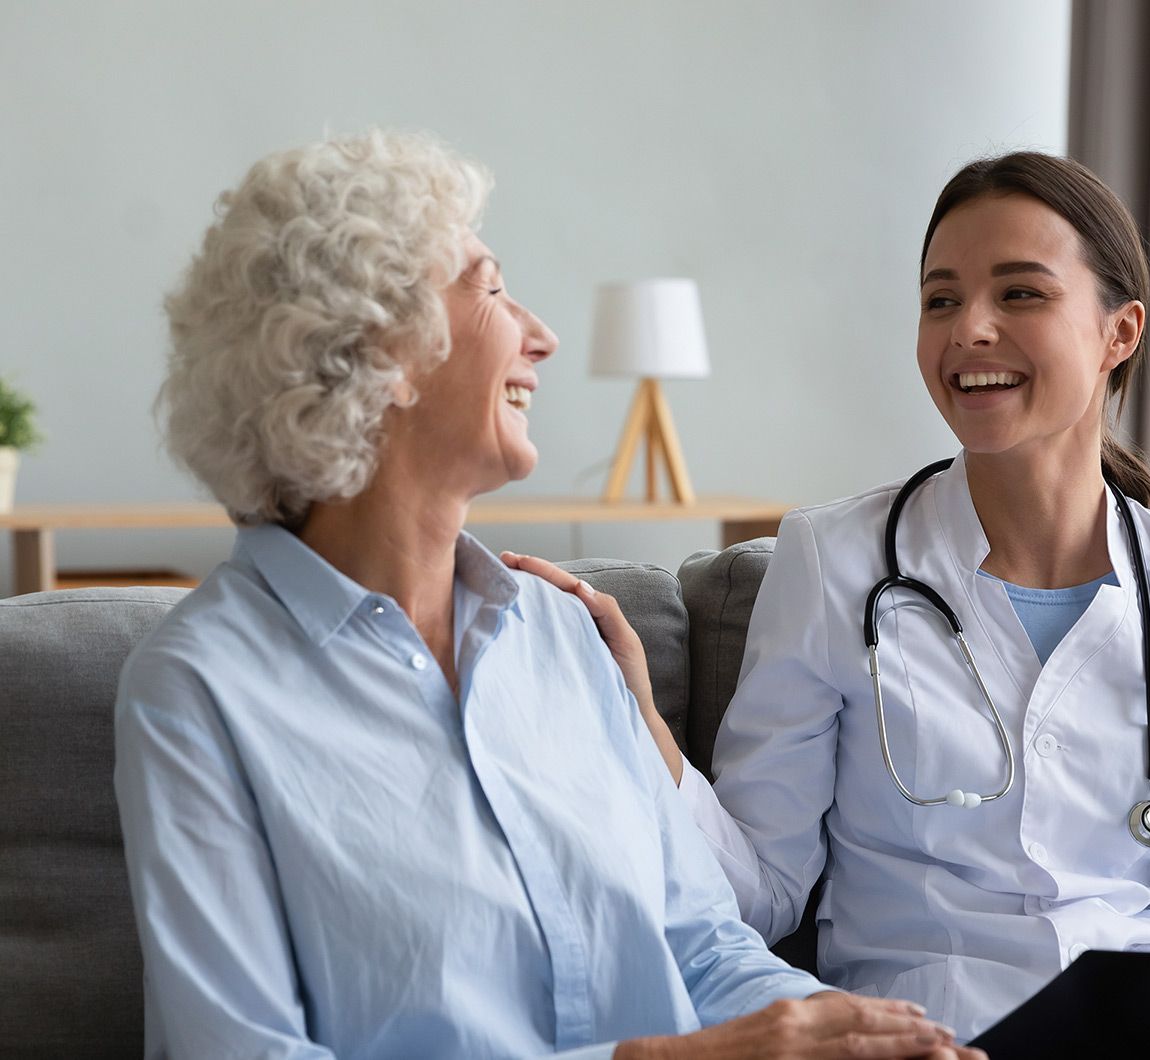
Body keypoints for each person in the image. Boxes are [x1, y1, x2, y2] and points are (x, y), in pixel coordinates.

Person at [113, 129, 981, 1060]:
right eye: (490, 289)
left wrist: (862, 1036)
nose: (542, 336)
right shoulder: (199, 691)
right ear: (380, 349)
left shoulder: (562, 637)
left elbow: (705, 945)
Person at [507, 152, 1150, 1058]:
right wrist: (642, 715)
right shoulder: (834, 561)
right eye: (941, 300)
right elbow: (758, 890)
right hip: (935, 1041)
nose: (970, 330)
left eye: (1021, 294)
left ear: (1120, 333)